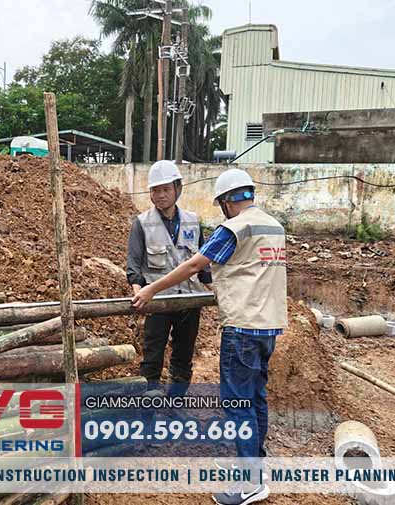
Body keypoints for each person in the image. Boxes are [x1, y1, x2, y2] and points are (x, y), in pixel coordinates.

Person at [132, 168, 287, 505]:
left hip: (242, 328)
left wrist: (151, 290)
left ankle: (250, 482)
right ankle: (253, 464)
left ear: (227, 201)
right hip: (269, 326)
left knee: (238, 402)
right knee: (256, 398)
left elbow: (194, 265)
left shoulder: (233, 229)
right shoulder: (273, 226)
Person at [126, 160, 212, 394]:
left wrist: (214, 289)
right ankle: (149, 405)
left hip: (190, 301)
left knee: (183, 358)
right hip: (158, 301)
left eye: (166, 189)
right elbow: (134, 264)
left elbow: (203, 264)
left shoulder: (193, 221)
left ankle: (176, 403)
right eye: (156, 190)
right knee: (152, 357)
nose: (161, 195)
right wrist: (138, 293)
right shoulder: (142, 223)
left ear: (177, 189)